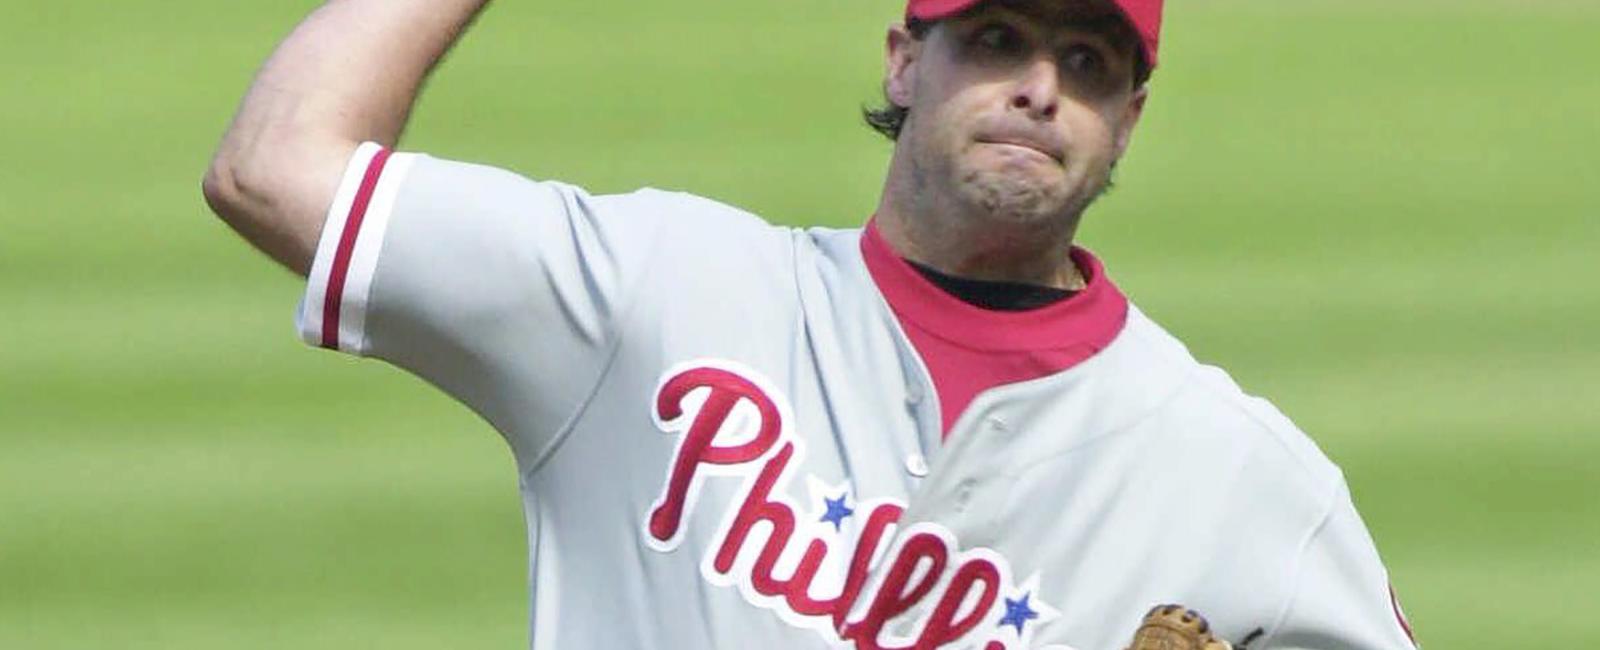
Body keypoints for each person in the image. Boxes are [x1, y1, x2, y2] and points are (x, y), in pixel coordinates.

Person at [202, 0, 1421, 647]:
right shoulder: (654, 293)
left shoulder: (1243, 478)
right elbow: (274, 172)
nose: (1041, 86)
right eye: (996, 38)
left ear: (1129, 118)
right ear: (904, 62)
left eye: (1089, 60)